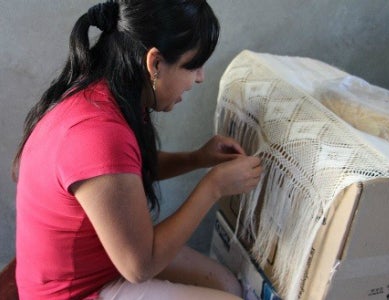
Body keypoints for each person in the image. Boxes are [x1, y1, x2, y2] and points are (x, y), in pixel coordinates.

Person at [12, 1, 262, 299]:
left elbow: (124, 172)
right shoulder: (98, 133)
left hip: (103, 261)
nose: (200, 77)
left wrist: (198, 158)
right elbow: (140, 267)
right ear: (154, 63)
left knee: (228, 286)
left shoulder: (111, 92)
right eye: (192, 65)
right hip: (73, 292)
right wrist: (213, 186)